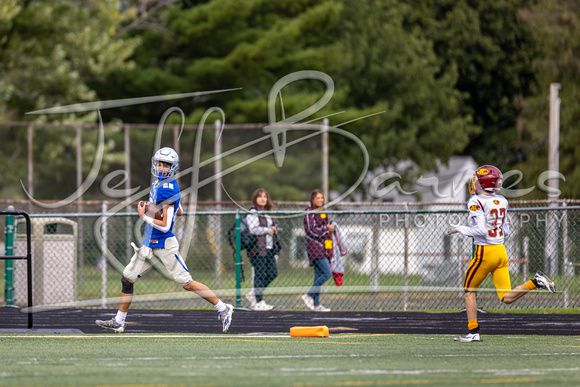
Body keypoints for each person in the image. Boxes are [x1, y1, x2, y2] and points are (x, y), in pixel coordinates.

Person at [96, 147, 234, 333]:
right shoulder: (158, 184)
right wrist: (173, 207)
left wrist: (144, 216)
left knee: (187, 283)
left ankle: (224, 308)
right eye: (159, 163)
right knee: (127, 279)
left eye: (165, 164)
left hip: (164, 243)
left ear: (172, 167)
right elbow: (178, 211)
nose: (161, 167)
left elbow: (165, 226)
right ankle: (119, 321)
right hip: (149, 243)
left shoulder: (167, 187)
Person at [447, 165, 556, 342]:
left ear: (483, 182)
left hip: (485, 252)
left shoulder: (476, 201)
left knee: (469, 291)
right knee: (505, 297)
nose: (474, 182)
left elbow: (481, 230)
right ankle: (535, 282)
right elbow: (506, 231)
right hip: (501, 251)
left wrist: (458, 228)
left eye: (477, 179)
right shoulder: (502, 200)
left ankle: (473, 332)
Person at [245, 188, 280, 311]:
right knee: (260, 275)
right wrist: (267, 230)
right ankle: (258, 302)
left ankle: (254, 294)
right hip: (257, 249)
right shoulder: (253, 212)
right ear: (255, 199)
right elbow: (253, 229)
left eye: (265, 196)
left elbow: (270, 228)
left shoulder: (267, 213)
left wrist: (273, 228)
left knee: (272, 273)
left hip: (269, 248)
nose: (263, 199)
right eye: (260, 196)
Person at [302, 189, 334, 312]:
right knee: (327, 273)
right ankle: (309, 295)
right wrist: (327, 228)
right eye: (318, 198)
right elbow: (311, 230)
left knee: (318, 276)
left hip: (323, 247)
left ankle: (316, 305)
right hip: (315, 248)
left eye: (322, 198)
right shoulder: (309, 212)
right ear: (313, 199)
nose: (320, 200)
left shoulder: (322, 211)